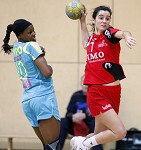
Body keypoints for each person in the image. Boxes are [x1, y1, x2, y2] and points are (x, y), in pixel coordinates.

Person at [70, 5, 136, 150]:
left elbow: (122, 32)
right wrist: (82, 21)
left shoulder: (110, 34)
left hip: (114, 91)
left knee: (97, 135)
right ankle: (83, 144)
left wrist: (127, 36)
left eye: (107, 18)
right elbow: (85, 42)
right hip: (96, 93)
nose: (104, 21)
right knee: (120, 132)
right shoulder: (92, 40)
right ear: (93, 20)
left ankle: (80, 143)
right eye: (101, 18)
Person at [1, 19, 61, 150]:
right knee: (54, 146)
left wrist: (40, 54)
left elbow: (29, 62)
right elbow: (47, 72)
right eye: (29, 32)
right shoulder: (32, 46)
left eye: (33, 30)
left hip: (27, 101)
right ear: (20, 35)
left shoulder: (16, 48)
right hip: (42, 97)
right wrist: (49, 66)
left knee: (47, 146)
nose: (34, 34)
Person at [59, 75, 103, 150]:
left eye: (87, 82)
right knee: (63, 122)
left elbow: (101, 115)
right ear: (81, 83)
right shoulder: (76, 95)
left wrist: (85, 116)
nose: (85, 84)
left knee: (95, 123)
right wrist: (73, 116)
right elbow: (68, 113)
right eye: (83, 82)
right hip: (76, 125)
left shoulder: (97, 96)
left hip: (90, 126)